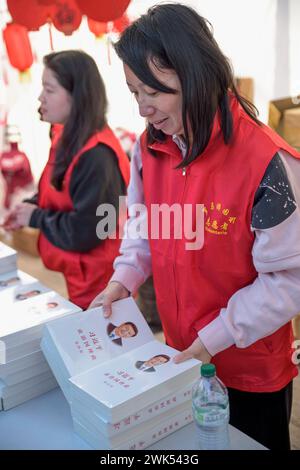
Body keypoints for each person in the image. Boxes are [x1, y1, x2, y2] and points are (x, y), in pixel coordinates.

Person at [89, 4, 300, 449]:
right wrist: (123, 281)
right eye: (134, 93)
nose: (144, 108)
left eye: (154, 91)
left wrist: (214, 338)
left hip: (250, 369)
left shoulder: (266, 161)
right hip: (181, 356)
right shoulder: (149, 148)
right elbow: (144, 228)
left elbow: (288, 280)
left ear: (195, 76)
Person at [4, 50, 130, 309]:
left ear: (77, 96)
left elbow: (88, 231)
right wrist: (29, 206)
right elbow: (56, 187)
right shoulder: (64, 135)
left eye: (49, 90)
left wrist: (35, 217)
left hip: (101, 283)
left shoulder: (97, 156)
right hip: (76, 274)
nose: (40, 97)